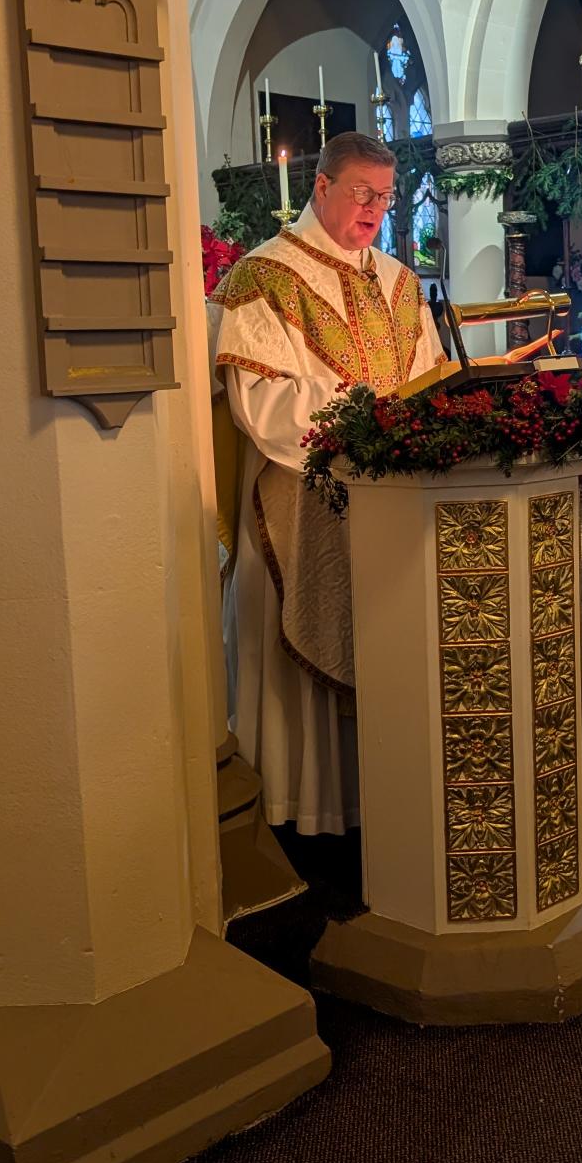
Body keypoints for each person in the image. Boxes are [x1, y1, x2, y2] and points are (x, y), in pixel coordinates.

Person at [210, 132, 446, 835]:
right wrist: (365, 416)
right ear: (322, 187)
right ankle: (303, 812)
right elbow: (258, 404)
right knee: (300, 671)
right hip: (300, 502)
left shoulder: (401, 281)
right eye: (362, 193)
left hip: (392, 507)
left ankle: (378, 809)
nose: (375, 207)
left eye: (386, 196)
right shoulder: (267, 276)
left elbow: (429, 380)